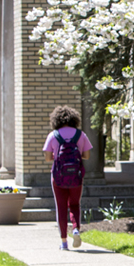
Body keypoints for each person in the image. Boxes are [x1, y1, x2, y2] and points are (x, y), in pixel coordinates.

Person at [43, 106, 91, 250]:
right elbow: (87, 156)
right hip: (76, 177)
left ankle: (64, 242)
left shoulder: (53, 135)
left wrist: (57, 156)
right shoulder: (80, 135)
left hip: (58, 177)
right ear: (74, 119)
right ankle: (75, 229)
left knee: (61, 207)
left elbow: (47, 158)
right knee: (75, 205)